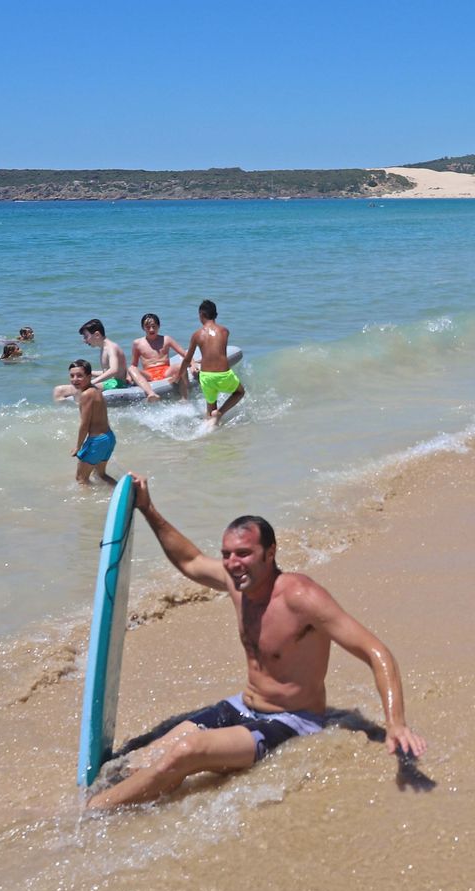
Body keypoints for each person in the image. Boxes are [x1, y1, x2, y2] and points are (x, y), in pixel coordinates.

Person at [85, 475, 427, 810]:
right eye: (227, 554)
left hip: (292, 720)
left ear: (270, 553)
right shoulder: (237, 583)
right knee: (143, 759)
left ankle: (84, 815)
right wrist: (147, 509)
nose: (233, 564)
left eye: (244, 554)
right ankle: (112, 798)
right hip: (242, 705)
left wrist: (395, 723)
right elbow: (190, 561)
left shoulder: (302, 597)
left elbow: (375, 651)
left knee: (185, 753)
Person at [53, 318, 157, 402]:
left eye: (86, 336)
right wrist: (89, 373)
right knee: (62, 390)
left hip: (116, 383)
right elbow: (107, 371)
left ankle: (67, 414)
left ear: (97, 335)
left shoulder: (111, 347)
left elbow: (114, 370)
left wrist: (92, 382)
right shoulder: (104, 348)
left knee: (59, 391)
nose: (84, 340)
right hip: (113, 382)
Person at [180, 300, 245, 428]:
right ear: (216, 315)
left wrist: (180, 374)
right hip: (223, 375)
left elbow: (187, 359)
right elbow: (217, 352)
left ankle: (209, 429)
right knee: (239, 392)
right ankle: (220, 413)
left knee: (210, 408)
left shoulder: (197, 335)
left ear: (201, 314)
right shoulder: (225, 331)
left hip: (206, 377)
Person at [67, 359, 117, 486]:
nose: (75, 379)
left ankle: (87, 506)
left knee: (81, 479)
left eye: (79, 376)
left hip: (97, 441)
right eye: (72, 376)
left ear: (89, 376)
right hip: (108, 438)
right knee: (100, 475)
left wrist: (78, 447)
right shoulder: (96, 390)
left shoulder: (86, 395)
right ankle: (123, 492)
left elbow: (84, 424)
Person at [131, 313, 190, 395]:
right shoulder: (137, 343)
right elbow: (134, 364)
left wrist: (193, 364)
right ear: (143, 328)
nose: (151, 329)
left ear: (158, 326)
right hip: (149, 374)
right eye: (148, 327)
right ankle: (151, 393)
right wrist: (129, 377)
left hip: (166, 371)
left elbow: (184, 353)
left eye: (153, 326)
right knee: (131, 369)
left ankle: (185, 397)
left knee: (181, 366)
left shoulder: (166, 339)